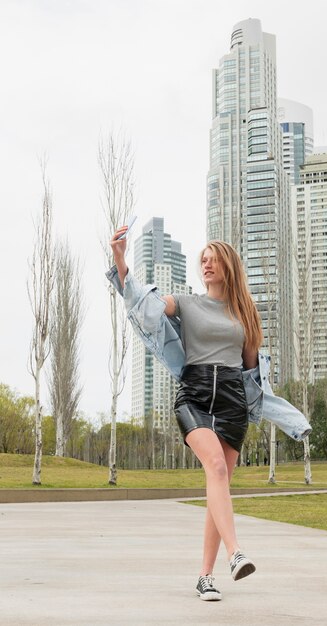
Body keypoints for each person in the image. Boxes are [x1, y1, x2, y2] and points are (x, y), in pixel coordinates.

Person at [110, 228, 264, 602]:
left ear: (229, 266)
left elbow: (250, 368)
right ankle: (236, 552)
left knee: (219, 481)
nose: (206, 264)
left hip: (231, 400)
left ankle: (205, 577)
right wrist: (120, 262)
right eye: (203, 260)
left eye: (213, 258)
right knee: (215, 466)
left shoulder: (245, 314)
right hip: (193, 395)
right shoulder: (186, 303)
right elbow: (145, 304)